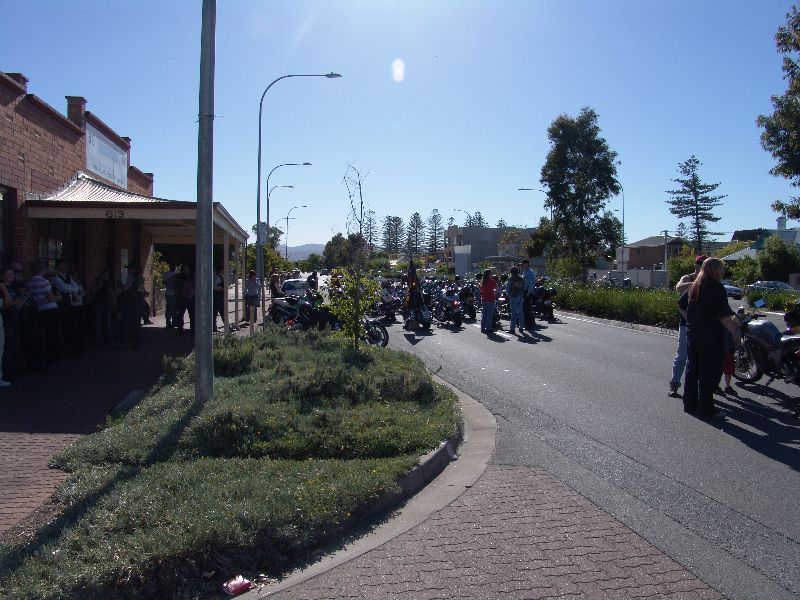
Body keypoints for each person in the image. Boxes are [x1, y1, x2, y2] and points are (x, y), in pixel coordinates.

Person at [680, 257, 741, 420]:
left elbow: (681, 304)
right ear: (715, 270)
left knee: (692, 370)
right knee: (708, 374)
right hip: (711, 336)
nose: (723, 271)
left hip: (693, 333)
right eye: (721, 268)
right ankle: (706, 410)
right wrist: (734, 333)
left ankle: (689, 404)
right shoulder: (716, 286)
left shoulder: (695, 285)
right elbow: (722, 315)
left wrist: (692, 320)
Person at [669, 255, 705, 396]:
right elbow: (679, 288)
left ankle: (701, 388)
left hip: (702, 325)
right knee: (682, 355)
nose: (703, 267)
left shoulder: (708, 281)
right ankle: (674, 384)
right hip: (686, 324)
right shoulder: (688, 278)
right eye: (701, 264)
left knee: (699, 358)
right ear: (696, 265)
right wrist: (695, 283)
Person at [506, 266, 525, 334]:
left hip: (513, 297)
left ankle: (512, 329)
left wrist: (509, 295)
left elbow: (507, 288)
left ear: (511, 272)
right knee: (520, 312)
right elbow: (524, 287)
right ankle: (521, 327)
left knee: (513, 314)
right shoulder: (521, 278)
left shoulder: (511, 279)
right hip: (520, 296)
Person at [479, 268, 498, 334]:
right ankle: (488, 328)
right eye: (491, 273)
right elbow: (497, 286)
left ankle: (482, 328)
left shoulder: (483, 281)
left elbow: (481, 290)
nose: (491, 275)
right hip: (490, 299)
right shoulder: (491, 281)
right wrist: (495, 294)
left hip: (484, 299)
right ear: (489, 274)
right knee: (489, 314)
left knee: (484, 314)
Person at [522, 259, 537, 330]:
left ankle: (528, 325)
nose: (523, 265)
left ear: (527, 264)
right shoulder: (525, 272)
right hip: (525, 291)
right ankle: (528, 324)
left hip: (527, 292)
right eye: (522, 264)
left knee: (527, 309)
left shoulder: (530, 272)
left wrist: (528, 292)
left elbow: (532, 283)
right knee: (526, 309)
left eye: (524, 264)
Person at [162, 263, 177, 328]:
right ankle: (169, 322)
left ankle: (173, 322)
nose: (174, 267)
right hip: (170, 294)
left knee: (173, 309)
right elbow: (163, 282)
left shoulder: (176, 274)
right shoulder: (167, 274)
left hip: (174, 294)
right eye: (172, 266)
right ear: (170, 266)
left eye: (174, 266)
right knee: (170, 308)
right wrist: (169, 283)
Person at [212, 265, 225, 331]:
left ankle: (226, 326)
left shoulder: (220, 276)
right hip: (217, 296)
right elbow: (213, 285)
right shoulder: (216, 276)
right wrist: (220, 288)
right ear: (220, 270)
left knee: (222, 312)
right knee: (216, 312)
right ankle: (214, 327)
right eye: (223, 269)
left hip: (220, 296)